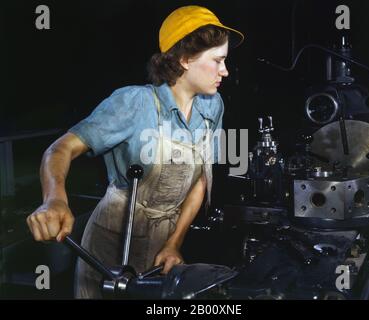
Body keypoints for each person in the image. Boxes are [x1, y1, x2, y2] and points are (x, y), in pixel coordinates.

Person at [26, 5, 244, 299]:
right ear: (184, 59)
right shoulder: (134, 103)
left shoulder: (212, 106)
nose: (225, 71)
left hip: (163, 242)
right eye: (218, 61)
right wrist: (53, 200)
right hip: (110, 242)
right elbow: (60, 149)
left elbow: (202, 179)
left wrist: (174, 242)